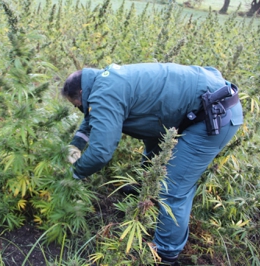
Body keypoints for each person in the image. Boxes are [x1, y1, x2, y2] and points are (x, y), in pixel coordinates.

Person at [62, 63, 243, 265]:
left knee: (173, 188)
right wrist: (73, 148)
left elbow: (100, 152)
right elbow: (92, 116)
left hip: (214, 115)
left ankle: (166, 254)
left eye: (76, 104)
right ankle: (146, 196)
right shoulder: (104, 80)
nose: (78, 109)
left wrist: (73, 174)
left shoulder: (104, 94)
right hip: (197, 104)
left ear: (81, 91)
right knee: (153, 154)